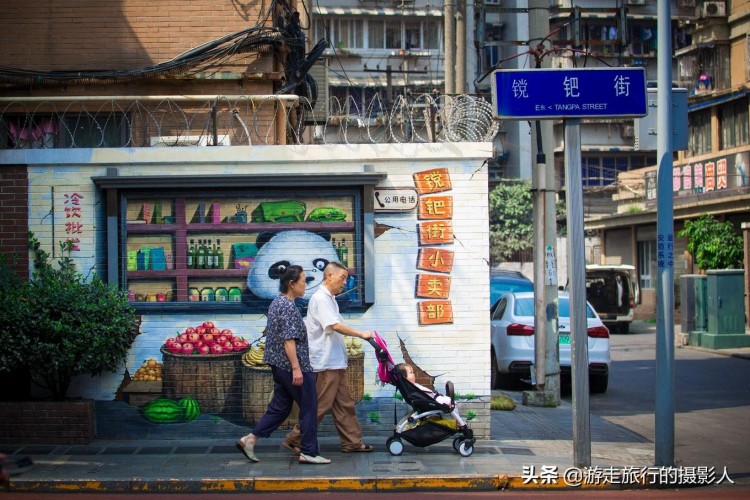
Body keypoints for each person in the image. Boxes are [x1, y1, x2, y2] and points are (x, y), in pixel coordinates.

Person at [237, 265, 331, 465]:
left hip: (279, 366)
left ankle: (250, 440)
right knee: (309, 406)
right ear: (291, 284)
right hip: (291, 367)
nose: (306, 284)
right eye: (303, 281)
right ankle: (309, 452)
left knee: (280, 408)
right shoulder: (287, 307)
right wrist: (297, 368)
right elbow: (289, 340)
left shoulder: (276, 303)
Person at [284, 261, 374, 454]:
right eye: (342, 278)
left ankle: (352, 442)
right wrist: (360, 334)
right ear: (329, 276)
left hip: (335, 361)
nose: (344, 283)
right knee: (320, 405)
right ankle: (295, 438)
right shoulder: (321, 299)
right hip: (325, 363)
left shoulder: (330, 299)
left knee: (344, 405)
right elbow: (334, 325)